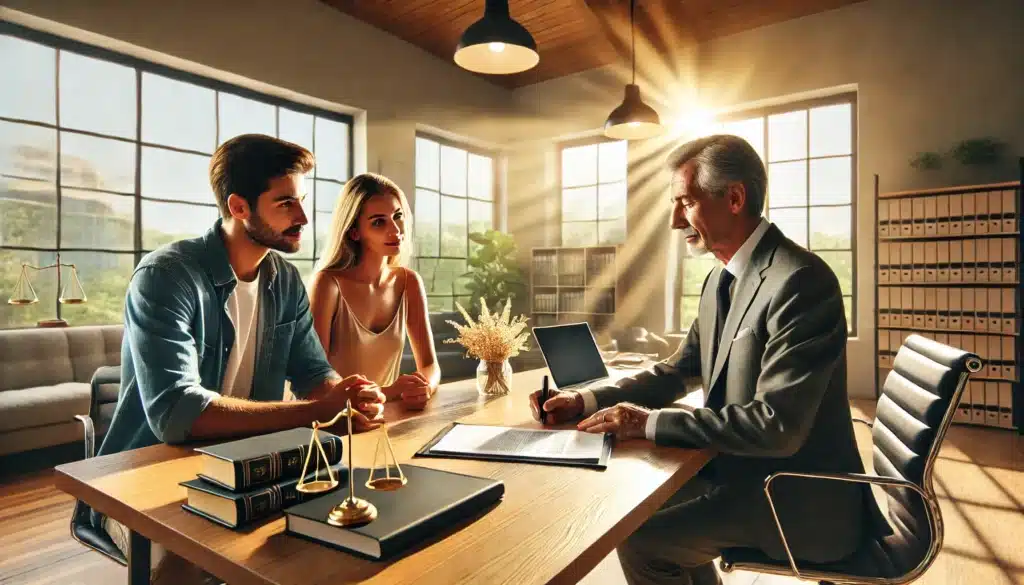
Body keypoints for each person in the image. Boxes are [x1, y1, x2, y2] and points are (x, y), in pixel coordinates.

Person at [530, 135, 868, 585]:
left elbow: (775, 425)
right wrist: (584, 400)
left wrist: (646, 422)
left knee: (640, 542)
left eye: (685, 202)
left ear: (733, 198)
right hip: (745, 475)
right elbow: (678, 371)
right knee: (642, 507)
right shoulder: (719, 281)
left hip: (798, 500)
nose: (674, 220)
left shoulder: (801, 281)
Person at [84, 134, 386, 584]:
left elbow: (312, 373)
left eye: (301, 200)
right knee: (185, 563)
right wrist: (318, 410)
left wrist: (347, 396)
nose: (303, 217)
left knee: (345, 534)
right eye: (285, 203)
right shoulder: (166, 277)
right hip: (145, 480)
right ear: (239, 206)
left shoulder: (283, 280)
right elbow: (176, 413)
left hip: (247, 467)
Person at [309, 172, 440, 410]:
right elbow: (317, 383)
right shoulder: (327, 285)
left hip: (382, 418)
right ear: (354, 232)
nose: (395, 229)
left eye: (397, 216)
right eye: (379, 222)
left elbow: (430, 364)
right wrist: (392, 392)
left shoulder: (409, 282)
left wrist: (425, 387)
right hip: (331, 423)